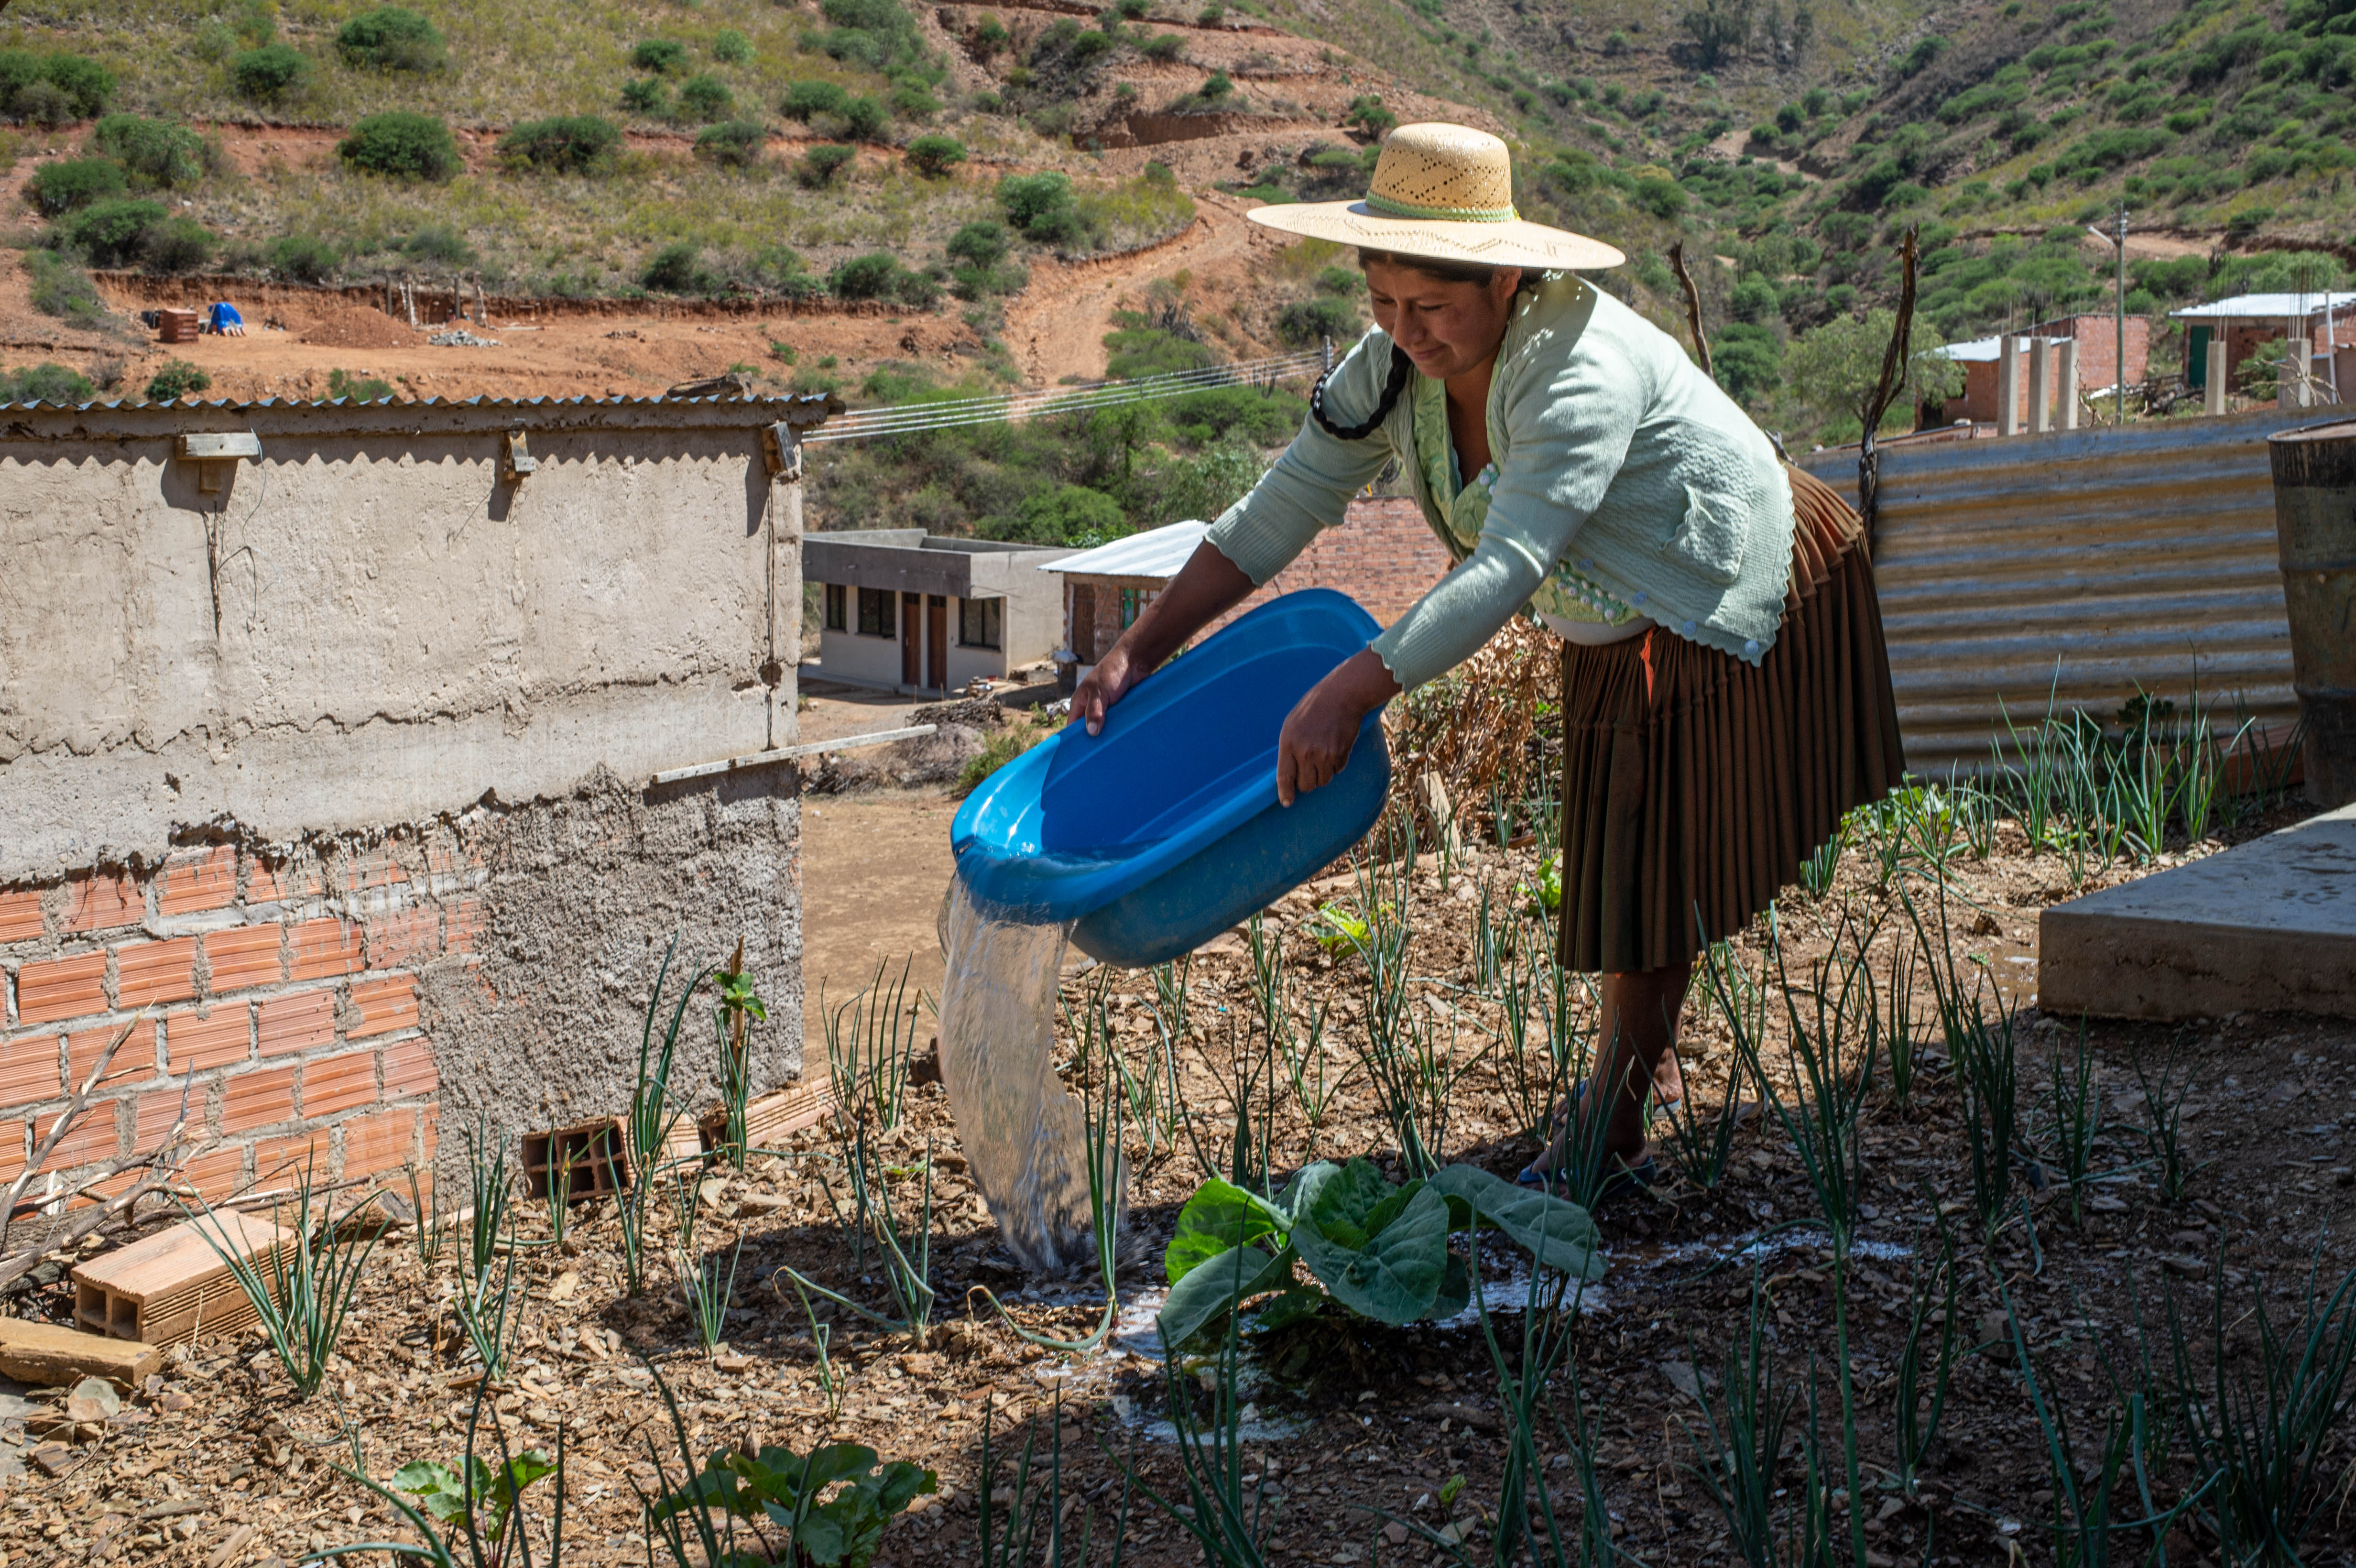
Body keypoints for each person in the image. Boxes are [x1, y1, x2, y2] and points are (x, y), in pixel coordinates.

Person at [1071, 123, 1903, 1198]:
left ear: (1507, 279)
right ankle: (1629, 1087)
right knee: (1631, 855)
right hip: (1611, 615)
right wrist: (1138, 647)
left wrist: (1351, 689)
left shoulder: (1577, 370)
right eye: (1383, 301)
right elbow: (1284, 504)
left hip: (1715, 579)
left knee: (1655, 857)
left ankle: (1611, 1124)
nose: (1404, 330)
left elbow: (1510, 562)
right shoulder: (1390, 372)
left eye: (1432, 306)